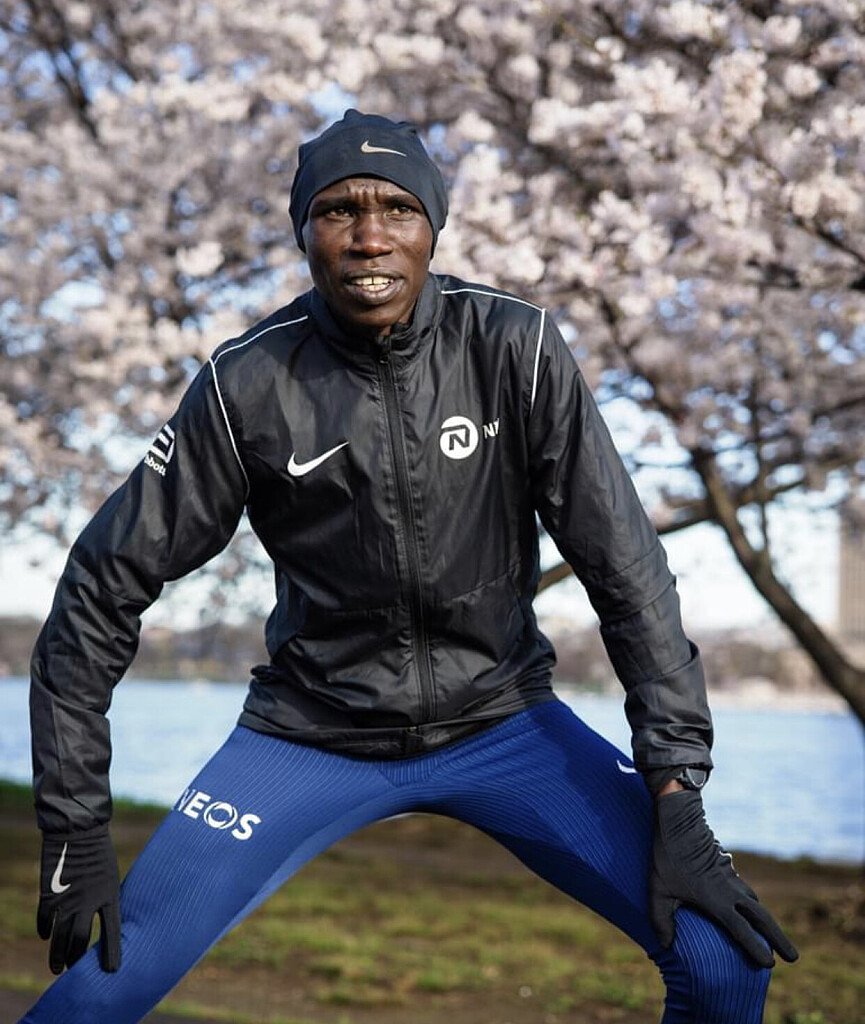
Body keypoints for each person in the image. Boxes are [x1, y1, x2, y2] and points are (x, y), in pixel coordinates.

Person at [22, 109, 797, 1024]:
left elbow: (625, 569)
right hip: (308, 734)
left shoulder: (515, 349)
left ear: (433, 226)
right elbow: (98, 590)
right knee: (103, 987)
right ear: (304, 231)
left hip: (505, 723)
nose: (370, 235)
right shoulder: (245, 384)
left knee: (722, 963)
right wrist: (76, 826)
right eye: (338, 210)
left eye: (397, 208)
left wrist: (676, 793)